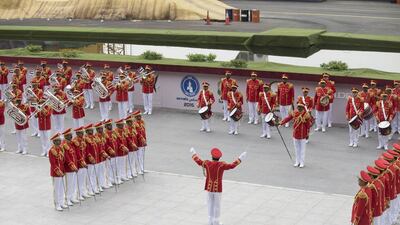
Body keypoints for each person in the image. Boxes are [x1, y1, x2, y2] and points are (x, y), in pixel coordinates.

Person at [190, 147, 246, 225]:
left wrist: (193, 153)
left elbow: (198, 161)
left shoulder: (207, 163)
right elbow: (232, 166)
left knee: (210, 204)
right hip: (217, 188)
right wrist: (240, 158)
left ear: (211, 156)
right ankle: (216, 221)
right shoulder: (221, 165)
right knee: (217, 205)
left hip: (209, 188)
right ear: (219, 158)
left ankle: (210, 221)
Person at [280, 101, 313, 168]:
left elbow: (308, 126)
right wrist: (281, 122)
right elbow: (288, 118)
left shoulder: (306, 115)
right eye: (298, 107)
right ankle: (297, 161)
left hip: (302, 134)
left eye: (301, 107)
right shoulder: (295, 113)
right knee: (297, 149)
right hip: (295, 134)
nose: (299, 108)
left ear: (303, 107)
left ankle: (302, 162)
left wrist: (307, 131)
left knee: (302, 149)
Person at [48, 133, 67, 211]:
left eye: (60, 140)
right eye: (58, 140)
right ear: (54, 142)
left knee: (62, 187)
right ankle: (57, 204)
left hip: (62, 170)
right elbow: (53, 163)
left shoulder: (61, 149)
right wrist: (59, 172)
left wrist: (63, 170)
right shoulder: (52, 151)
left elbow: (63, 160)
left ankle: (62, 202)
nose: (60, 142)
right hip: (56, 173)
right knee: (57, 189)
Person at [61, 128, 79, 206]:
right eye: (69, 135)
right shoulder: (64, 145)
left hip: (75, 166)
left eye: (71, 135)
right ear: (66, 136)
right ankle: (67, 199)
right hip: (69, 168)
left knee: (74, 183)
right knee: (69, 184)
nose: (71, 136)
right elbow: (67, 157)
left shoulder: (71, 143)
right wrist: (72, 165)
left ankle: (72, 197)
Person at [72, 126, 90, 200]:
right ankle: (78, 195)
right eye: (81, 133)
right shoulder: (75, 142)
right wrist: (82, 162)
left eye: (82, 132)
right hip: (79, 164)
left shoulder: (83, 140)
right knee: (78, 180)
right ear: (77, 133)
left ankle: (82, 192)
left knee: (83, 179)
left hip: (84, 162)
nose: (82, 134)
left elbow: (85, 151)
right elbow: (77, 154)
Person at [83, 124, 100, 194]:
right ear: (87, 131)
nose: (92, 131)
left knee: (94, 175)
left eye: (92, 130)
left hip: (95, 159)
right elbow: (86, 151)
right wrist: (90, 158)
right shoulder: (86, 139)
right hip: (90, 161)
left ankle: (94, 188)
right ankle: (89, 189)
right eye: (90, 130)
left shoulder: (93, 138)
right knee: (89, 175)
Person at [94, 122, 111, 189]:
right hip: (99, 157)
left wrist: (109, 150)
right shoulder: (96, 137)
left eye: (102, 128)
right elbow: (99, 148)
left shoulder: (102, 135)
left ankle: (103, 183)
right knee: (98, 172)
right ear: (97, 129)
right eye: (100, 129)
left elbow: (105, 145)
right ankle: (98, 185)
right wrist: (104, 154)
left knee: (103, 171)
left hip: (103, 157)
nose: (102, 130)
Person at [114, 119, 130, 183]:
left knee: (123, 164)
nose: (122, 126)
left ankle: (123, 176)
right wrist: (123, 147)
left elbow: (127, 139)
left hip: (124, 151)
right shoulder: (115, 132)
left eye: (123, 125)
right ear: (117, 125)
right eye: (121, 125)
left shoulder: (123, 131)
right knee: (118, 165)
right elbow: (117, 142)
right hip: (119, 151)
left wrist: (131, 144)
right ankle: (118, 177)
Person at [104, 119, 118, 186]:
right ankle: (108, 181)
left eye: (111, 125)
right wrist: (110, 150)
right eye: (108, 125)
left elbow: (116, 142)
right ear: (106, 126)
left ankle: (113, 179)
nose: (110, 126)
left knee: (114, 167)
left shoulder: (113, 132)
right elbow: (105, 145)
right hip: (109, 154)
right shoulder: (105, 134)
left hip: (115, 153)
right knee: (108, 168)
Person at [133, 110, 147, 175]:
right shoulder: (134, 124)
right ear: (135, 117)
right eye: (138, 116)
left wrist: (145, 140)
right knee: (137, 156)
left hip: (143, 142)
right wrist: (142, 139)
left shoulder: (142, 122)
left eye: (140, 115)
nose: (140, 117)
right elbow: (137, 134)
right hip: (138, 142)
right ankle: (137, 169)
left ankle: (141, 168)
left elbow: (144, 132)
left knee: (142, 156)